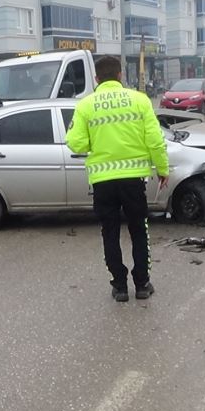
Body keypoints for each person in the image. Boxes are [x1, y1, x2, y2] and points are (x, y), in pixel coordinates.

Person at [65, 56, 169, 303]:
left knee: (109, 232)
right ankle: (142, 284)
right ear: (121, 75)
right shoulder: (140, 100)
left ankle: (120, 286)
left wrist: (95, 141)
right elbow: (155, 140)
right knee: (139, 231)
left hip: (103, 181)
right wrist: (162, 169)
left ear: (96, 79)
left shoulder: (85, 105)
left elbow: (76, 142)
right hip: (133, 181)